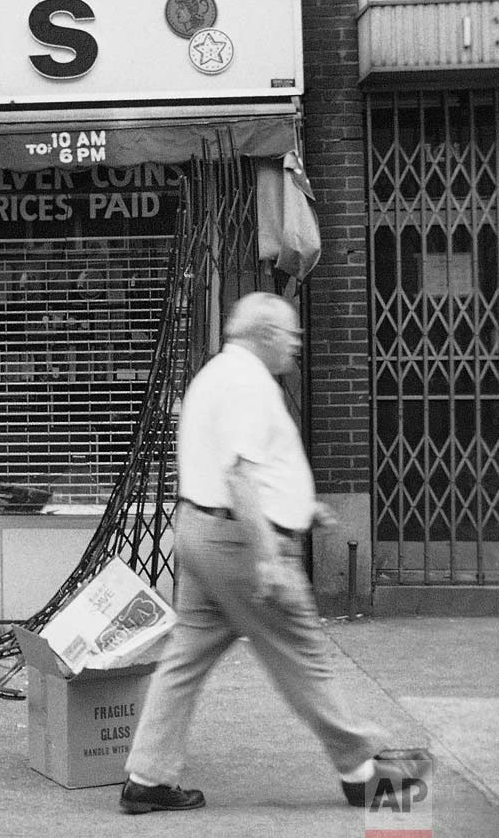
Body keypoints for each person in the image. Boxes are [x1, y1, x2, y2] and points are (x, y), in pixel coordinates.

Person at [120, 292, 431, 814]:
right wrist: (268, 557)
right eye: (291, 336)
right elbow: (240, 475)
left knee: (185, 658)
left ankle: (147, 776)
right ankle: (360, 769)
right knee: (301, 653)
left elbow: (245, 468)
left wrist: (301, 507)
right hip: (242, 542)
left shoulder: (216, 375)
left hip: (202, 532)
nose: (296, 346)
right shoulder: (246, 383)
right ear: (264, 334)